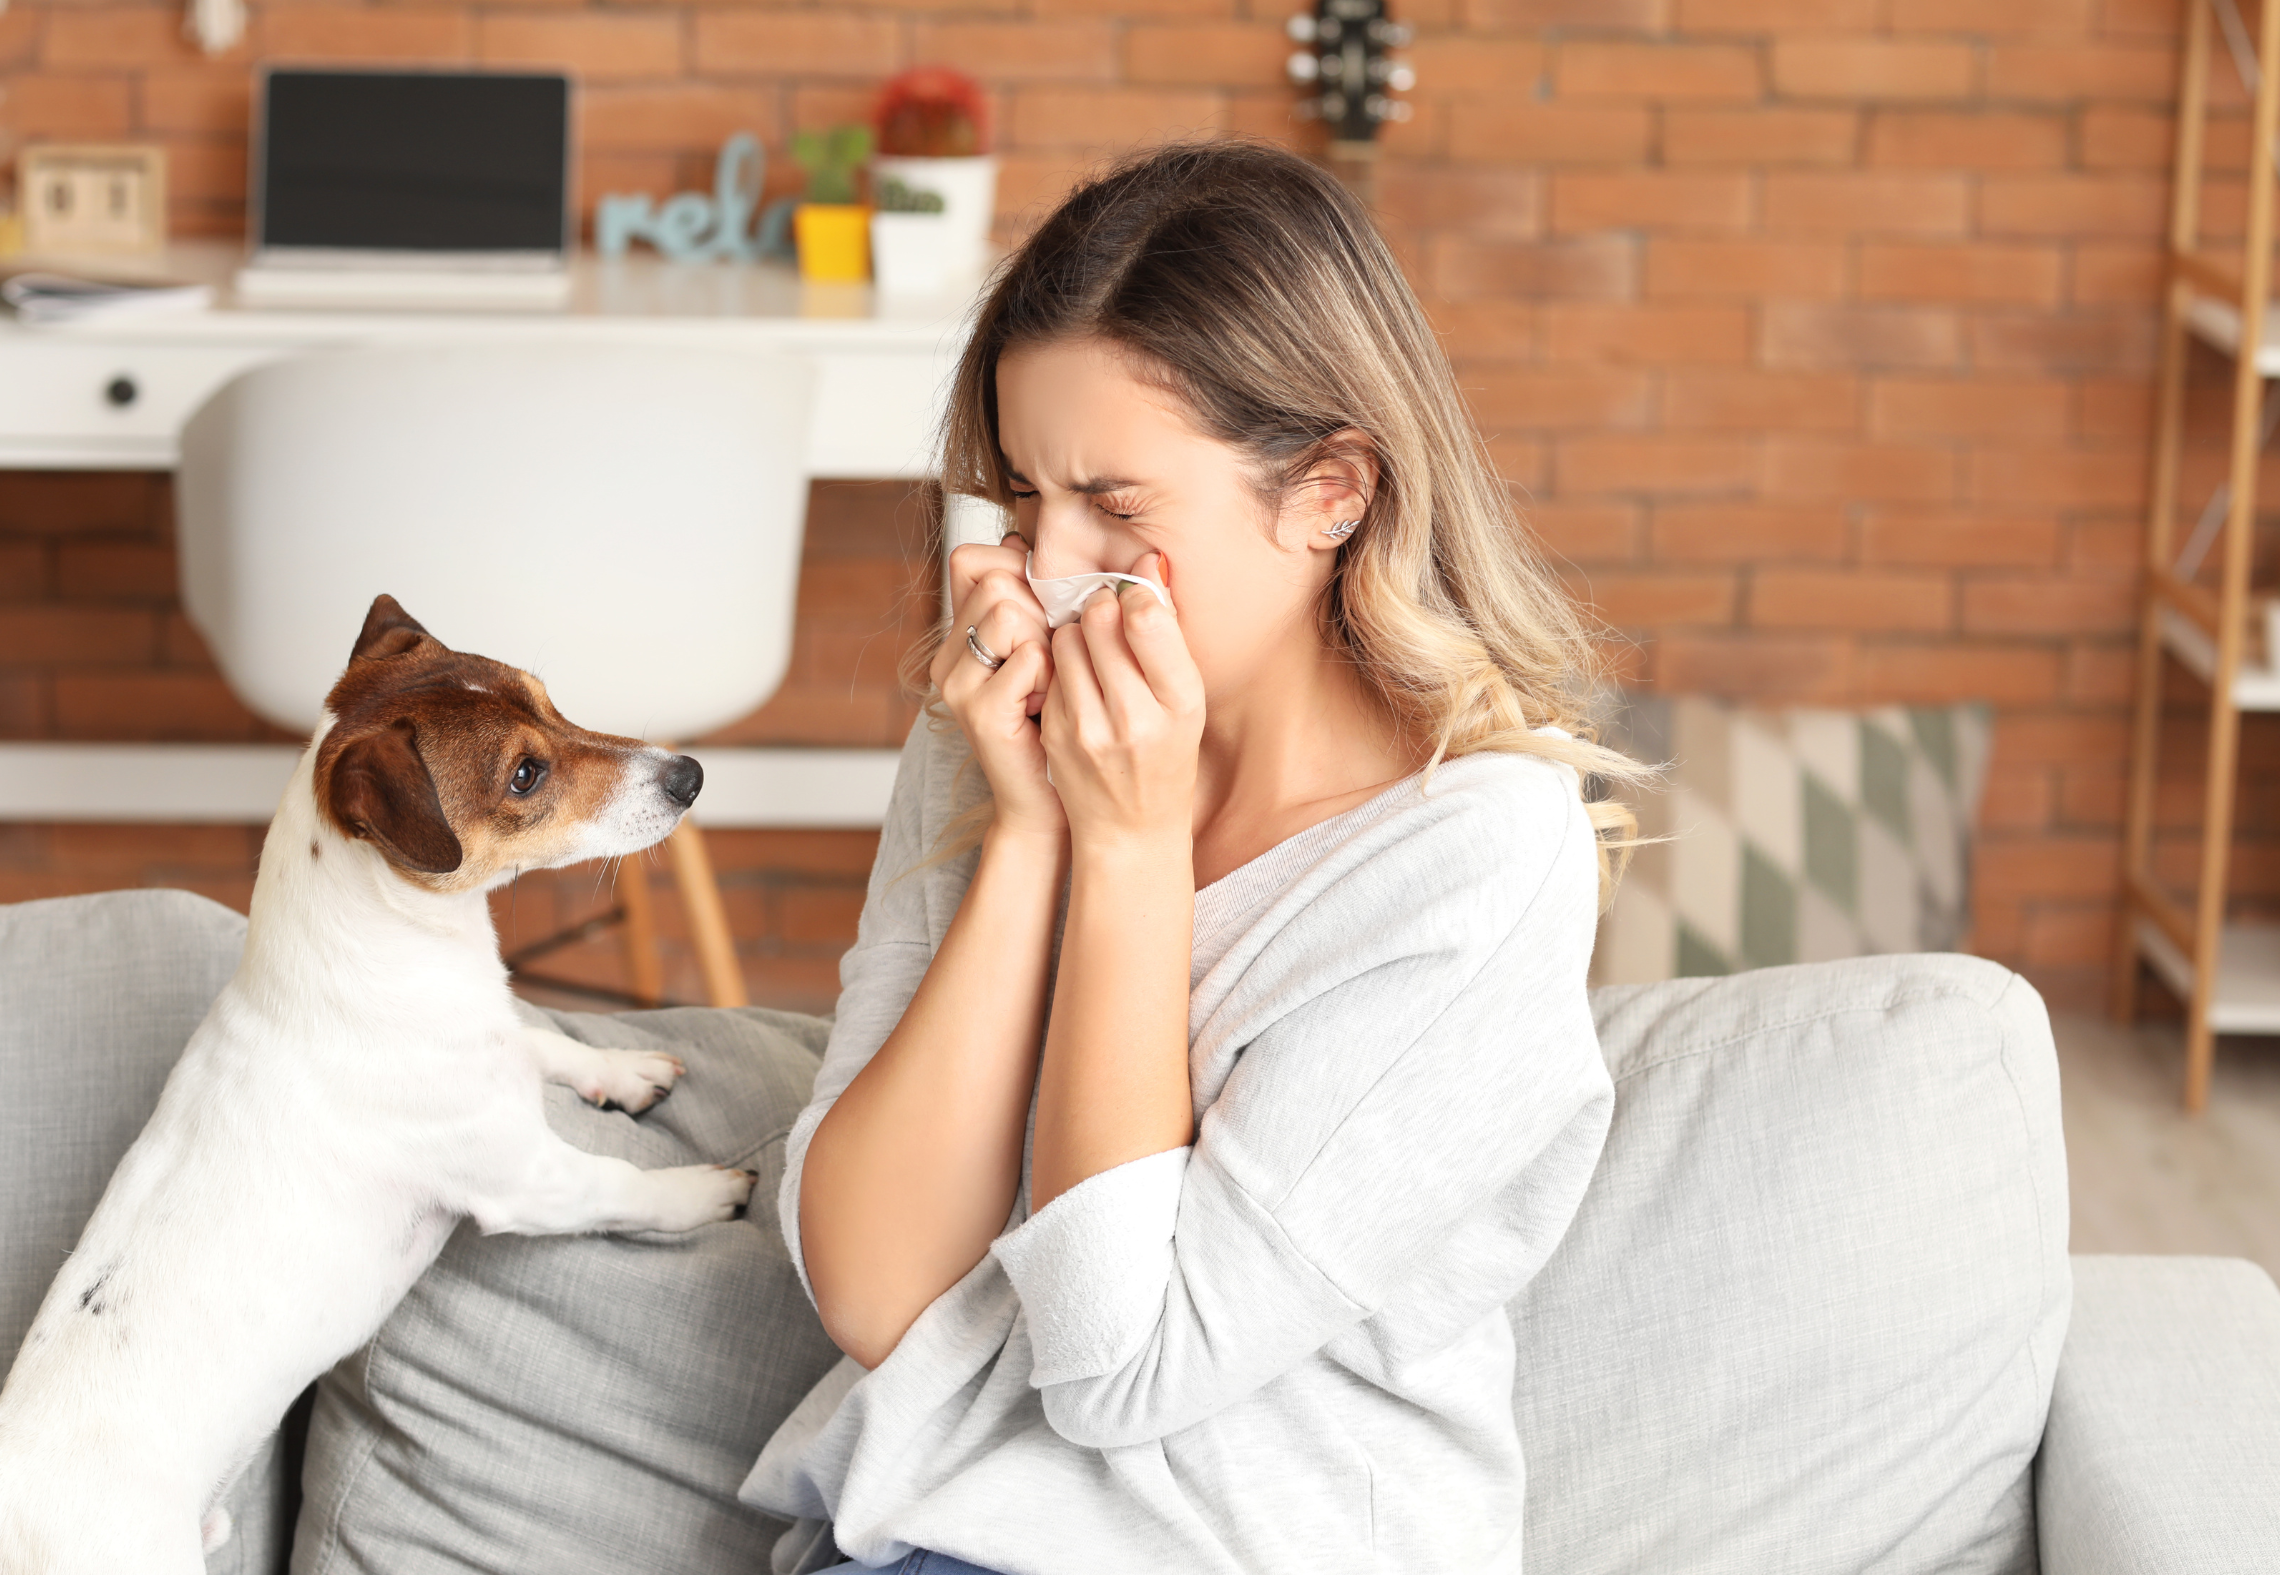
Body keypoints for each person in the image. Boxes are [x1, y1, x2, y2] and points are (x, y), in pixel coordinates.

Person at [739, 138, 1646, 1575]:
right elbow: (873, 1287)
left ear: (1330, 492)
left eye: (1117, 507)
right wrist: (1035, 826)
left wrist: (1134, 846)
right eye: (1024, 499)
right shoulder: (991, 733)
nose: (1047, 572)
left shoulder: (1474, 857)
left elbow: (1121, 1368)